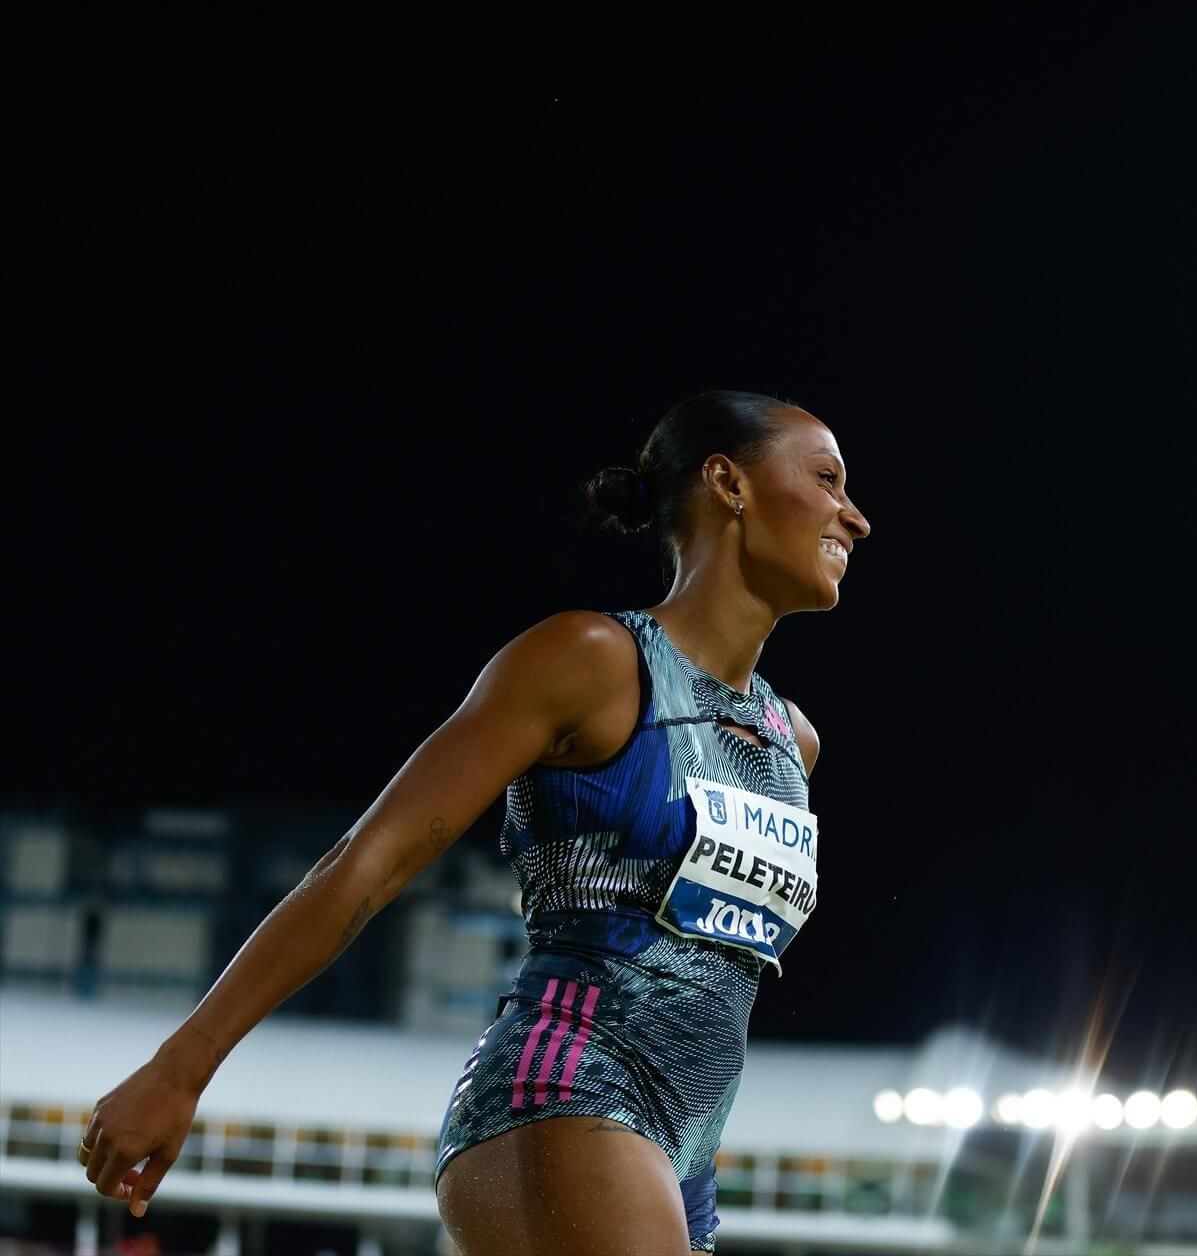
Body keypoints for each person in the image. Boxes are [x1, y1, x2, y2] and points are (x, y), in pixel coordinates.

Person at [78, 391, 872, 1254]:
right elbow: (363, 866)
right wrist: (181, 1066)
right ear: (729, 483)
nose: (855, 518)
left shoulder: (792, 741)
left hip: (688, 1150)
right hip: (563, 1086)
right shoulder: (591, 661)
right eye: (827, 479)